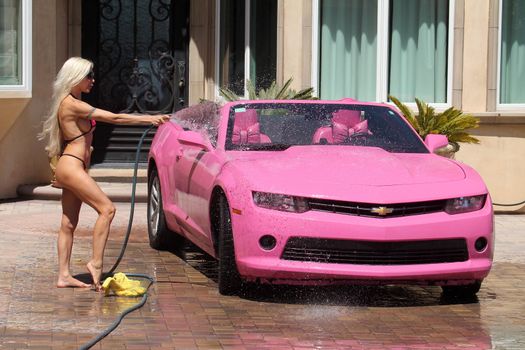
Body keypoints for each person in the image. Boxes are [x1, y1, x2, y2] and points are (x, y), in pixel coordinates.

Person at [38, 57, 170, 291]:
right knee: (107, 209)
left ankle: (64, 276)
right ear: (75, 77)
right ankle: (95, 263)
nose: (93, 80)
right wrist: (150, 118)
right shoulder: (71, 103)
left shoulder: (72, 102)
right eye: (88, 76)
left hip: (72, 165)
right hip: (72, 166)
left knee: (68, 223)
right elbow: (114, 117)